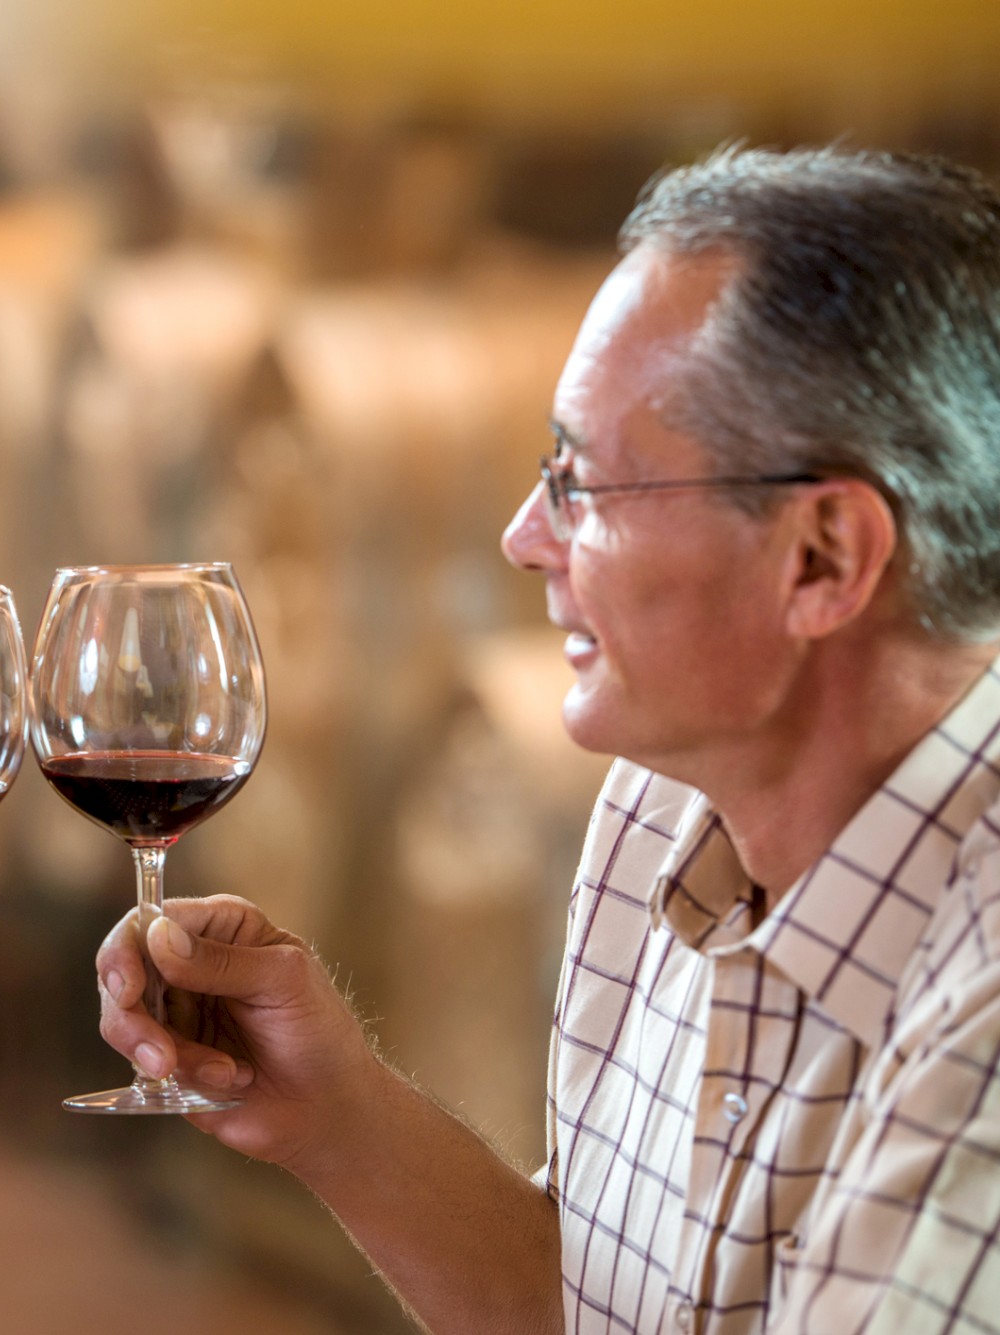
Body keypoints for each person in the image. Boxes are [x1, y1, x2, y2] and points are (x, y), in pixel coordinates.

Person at [98, 145, 1000, 1334]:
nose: (525, 537)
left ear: (821, 557)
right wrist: (342, 1117)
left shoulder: (977, 1022)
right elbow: (585, 1306)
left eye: (581, 484)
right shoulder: (655, 811)